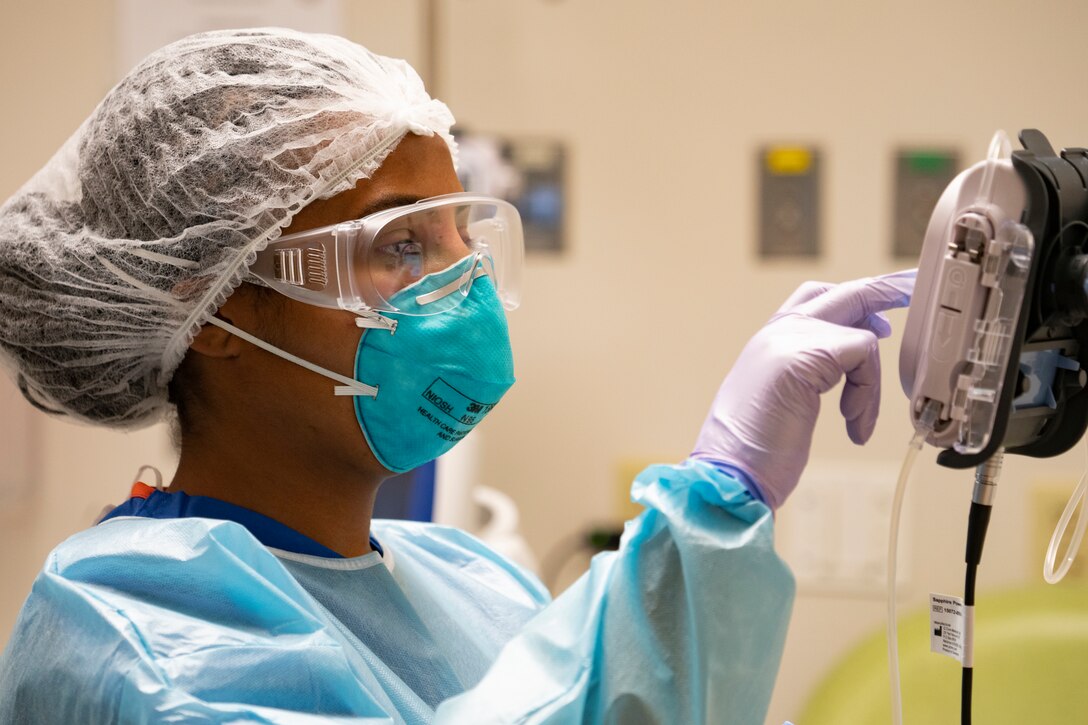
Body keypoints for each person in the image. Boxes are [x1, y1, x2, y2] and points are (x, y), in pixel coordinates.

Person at [0, 28, 914, 724]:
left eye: (462, 239)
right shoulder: (134, 630)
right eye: (402, 242)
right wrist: (717, 494)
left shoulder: (468, 579)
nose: (463, 285)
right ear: (219, 310)